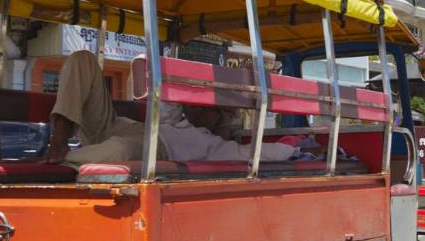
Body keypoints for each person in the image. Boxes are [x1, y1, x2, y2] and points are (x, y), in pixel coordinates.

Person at [45, 50, 298, 166]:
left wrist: (290, 147)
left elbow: (255, 154)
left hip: (154, 148)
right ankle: (59, 139)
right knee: (83, 59)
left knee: (118, 149)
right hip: (123, 128)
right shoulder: (174, 115)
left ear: (220, 118)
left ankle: (61, 160)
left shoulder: (214, 146)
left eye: (209, 108)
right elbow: (166, 93)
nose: (199, 109)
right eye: (198, 104)